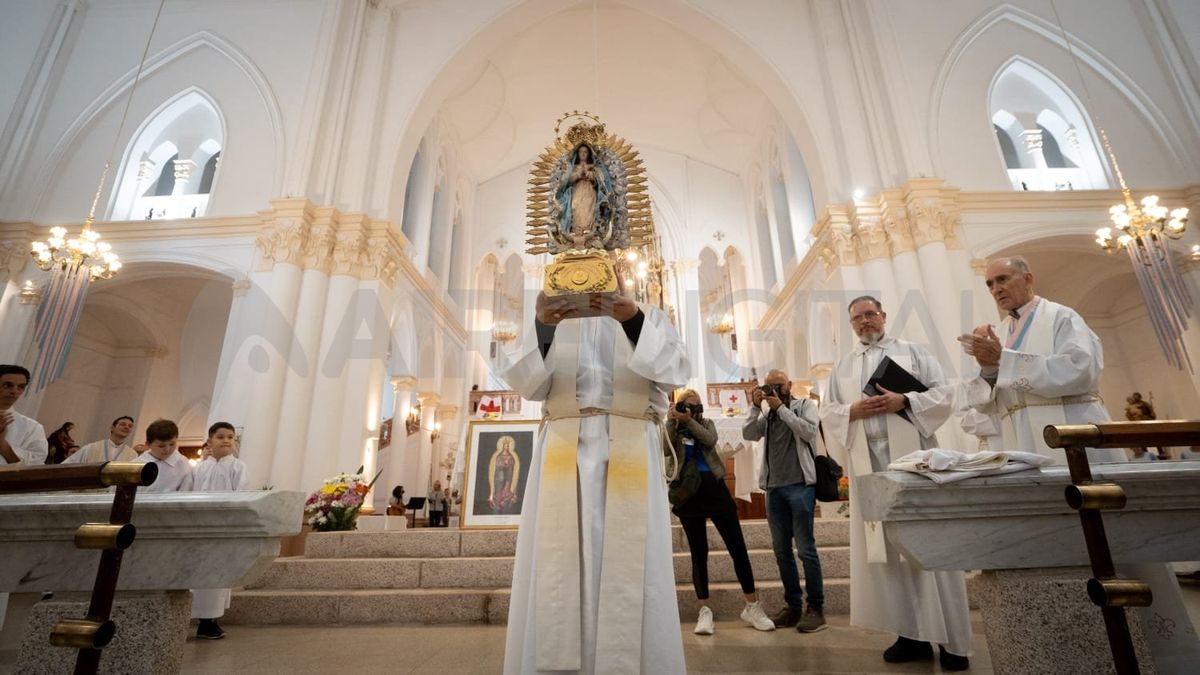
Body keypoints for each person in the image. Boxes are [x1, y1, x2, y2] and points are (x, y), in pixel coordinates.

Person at [961, 256, 1200, 673]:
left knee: (1114, 545)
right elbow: (991, 399)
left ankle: (1154, 653)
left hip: (1077, 439)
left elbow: (1081, 371)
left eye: (1003, 278)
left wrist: (1006, 361)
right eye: (989, 284)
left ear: (1028, 277)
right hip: (1027, 441)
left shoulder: (1061, 317)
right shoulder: (999, 332)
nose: (996, 288)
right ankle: (1079, 644)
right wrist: (986, 368)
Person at [499, 287, 689, 674]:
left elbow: (676, 372)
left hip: (630, 447)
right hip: (563, 452)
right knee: (559, 570)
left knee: (634, 573)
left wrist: (632, 320)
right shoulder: (554, 316)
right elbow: (525, 384)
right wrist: (541, 327)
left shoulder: (648, 314)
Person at [820, 296, 971, 670]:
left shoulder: (913, 353)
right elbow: (827, 410)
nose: (865, 322)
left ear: (884, 316)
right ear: (851, 324)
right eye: (857, 318)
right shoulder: (843, 365)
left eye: (871, 314)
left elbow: (944, 394)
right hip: (869, 466)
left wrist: (904, 400)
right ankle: (911, 635)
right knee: (888, 552)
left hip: (913, 461)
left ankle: (954, 641)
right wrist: (851, 410)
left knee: (930, 545)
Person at [669, 387, 774, 636]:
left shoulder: (707, 423)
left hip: (715, 489)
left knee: (737, 547)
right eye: (688, 406)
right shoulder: (673, 426)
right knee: (698, 553)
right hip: (688, 493)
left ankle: (752, 606)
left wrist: (690, 421)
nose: (693, 410)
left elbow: (709, 440)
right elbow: (665, 449)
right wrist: (672, 421)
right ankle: (704, 611)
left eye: (696, 406)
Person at [741, 369, 827, 634]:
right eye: (769, 387)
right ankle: (793, 607)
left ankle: (816, 609)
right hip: (774, 489)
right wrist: (756, 407)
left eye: (778, 385)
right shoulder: (767, 413)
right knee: (781, 553)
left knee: (805, 550)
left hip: (800, 486)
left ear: (789, 385)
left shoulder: (804, 406)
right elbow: (748, 434)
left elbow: (809, 432)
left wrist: (782, 409)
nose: (774, 391)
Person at [190, 422, 246, 640]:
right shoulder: (200, 468)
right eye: (221, 436)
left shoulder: (238, 467)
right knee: (194, 574)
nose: (226, 441)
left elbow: (241, 495)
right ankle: (188, 616)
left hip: (223, 528)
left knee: (216, 576)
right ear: (210, 440)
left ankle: (209, 621)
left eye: (230, 437)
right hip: (197, 528)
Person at [555, 143, 612, 249]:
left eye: (585, 152)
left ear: (589, 153)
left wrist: (591, 176)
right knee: (575, 209)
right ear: (577, 153)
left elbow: (601, 182)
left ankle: (588, 231)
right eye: (581, 152)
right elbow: (566, 182)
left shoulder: (593, 167)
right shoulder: (573, 167)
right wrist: (577, 175)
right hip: (576, 192)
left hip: (589, 193)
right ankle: (576, 231)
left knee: (589, 211)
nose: (583, 154)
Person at [0, 365, 47, 465]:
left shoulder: (32, 428)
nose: (14, 391)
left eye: (20, 387)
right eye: (7, 385)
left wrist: (3, 446)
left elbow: (36, 466)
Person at [133, 419, 193, 492]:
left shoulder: (183, 464)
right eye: (161, 446)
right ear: (148, 444)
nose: (167, 449)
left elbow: (185, 492)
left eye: (172, 444)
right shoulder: (136, 464)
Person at [63, 416, 140, 465]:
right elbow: (67, 466)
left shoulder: (133, 455)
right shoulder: (90, 448)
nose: (127, 427)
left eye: (130, 426)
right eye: (122, 424)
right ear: (112, 428)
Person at [487, 436, 521, 514]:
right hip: (498, 480)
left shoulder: (511, 457)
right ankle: (497, 507)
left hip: (508, 479)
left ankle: (506, 510)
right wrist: (503, 464)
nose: (507, 447)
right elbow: (496, 468)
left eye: (508, 446)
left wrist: (508, 463)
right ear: (502, 446)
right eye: (505, 445)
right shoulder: (498, 456)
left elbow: (511, 469)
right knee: (498, 494)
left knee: (506, 494)